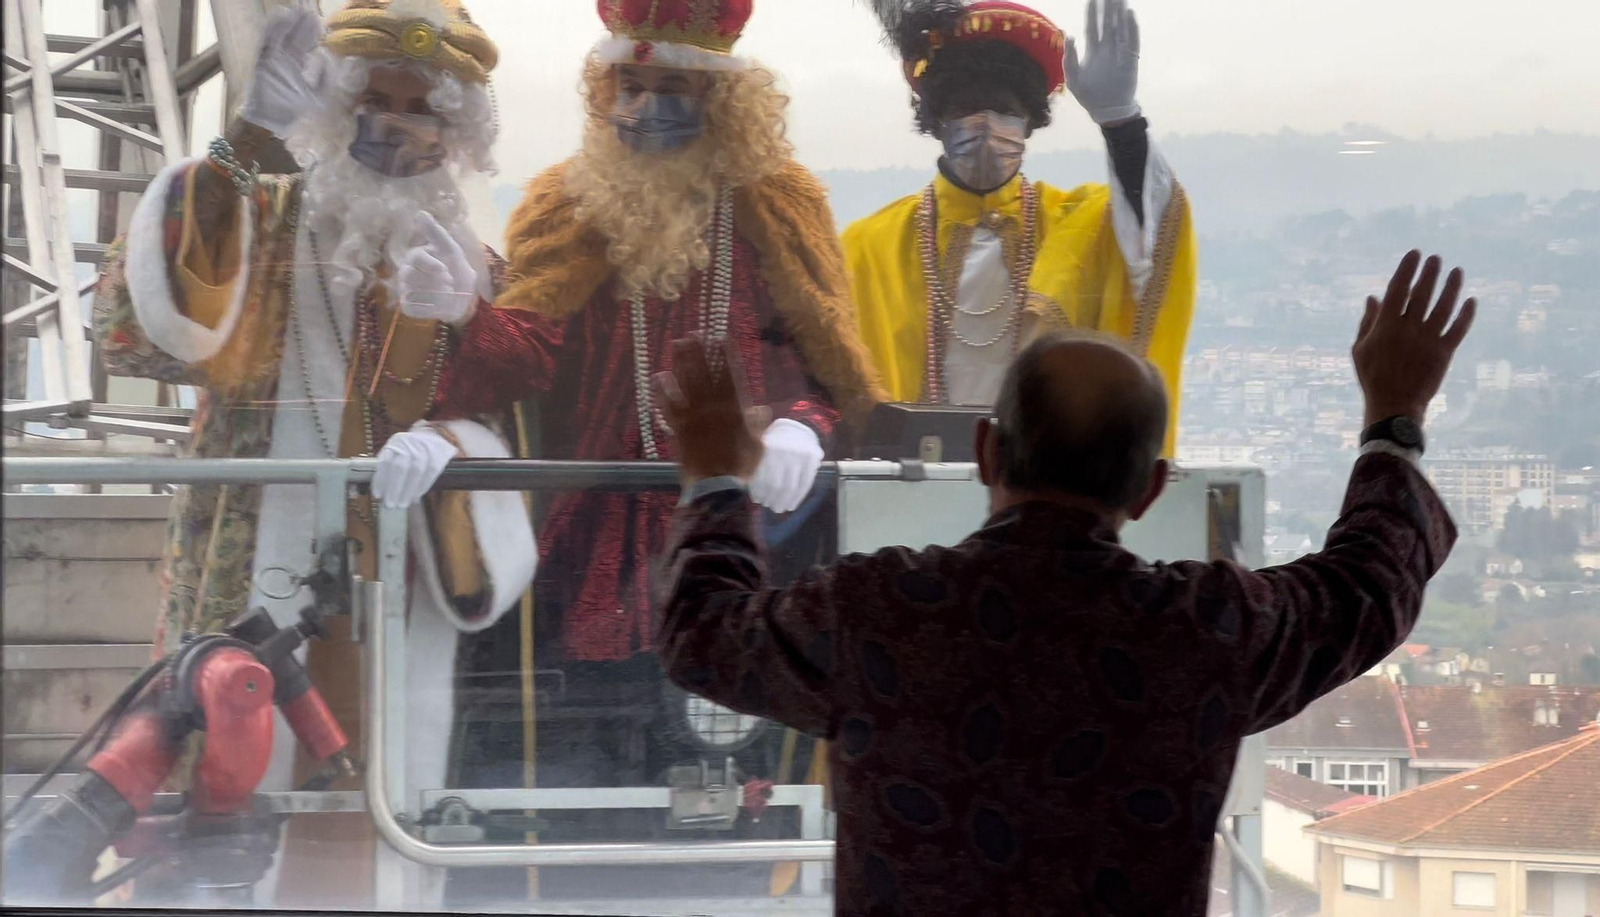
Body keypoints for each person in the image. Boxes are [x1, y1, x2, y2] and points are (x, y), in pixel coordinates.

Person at [653, 250, 1474, 915]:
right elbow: (1369, 580)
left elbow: (703, 631)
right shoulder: (1207, 632)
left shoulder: (879, 613)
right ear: (1151, 490)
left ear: (985, 452)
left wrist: (716, 475)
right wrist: (1394, 418)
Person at [414, 0, 882, 900]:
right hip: (588, 544)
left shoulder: (781, 205)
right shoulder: (564, 201)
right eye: (631, 84)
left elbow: (826, 363)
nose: (646, 107)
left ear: (722, 99)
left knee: (732, 772)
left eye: (672, 86)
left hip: (749, 540)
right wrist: (464, 317)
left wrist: (802, 426)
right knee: (574, 777)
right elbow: (525, 357)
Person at [92, 0, 533, 907]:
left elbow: (529, 416)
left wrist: (454, 434)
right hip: (259, 563)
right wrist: (245, 140)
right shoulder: (261, 216)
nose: (397, 125)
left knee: (391, 812)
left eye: (424, 108)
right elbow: (136, 331)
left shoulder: (477, 268)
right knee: (227, 780)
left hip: (407, 587)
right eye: (377, 97)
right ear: (337, 106)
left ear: (460, 133)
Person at [844, 0, 1196, 454]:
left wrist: (1121, 122)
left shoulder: (1078, 222)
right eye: (968, 108)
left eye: (1004, 109)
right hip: (914, 484)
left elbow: (1153, 226)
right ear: (937, 120)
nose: (986, 125)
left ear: (1029, 121)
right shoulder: (868, 246)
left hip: (1044, 477)